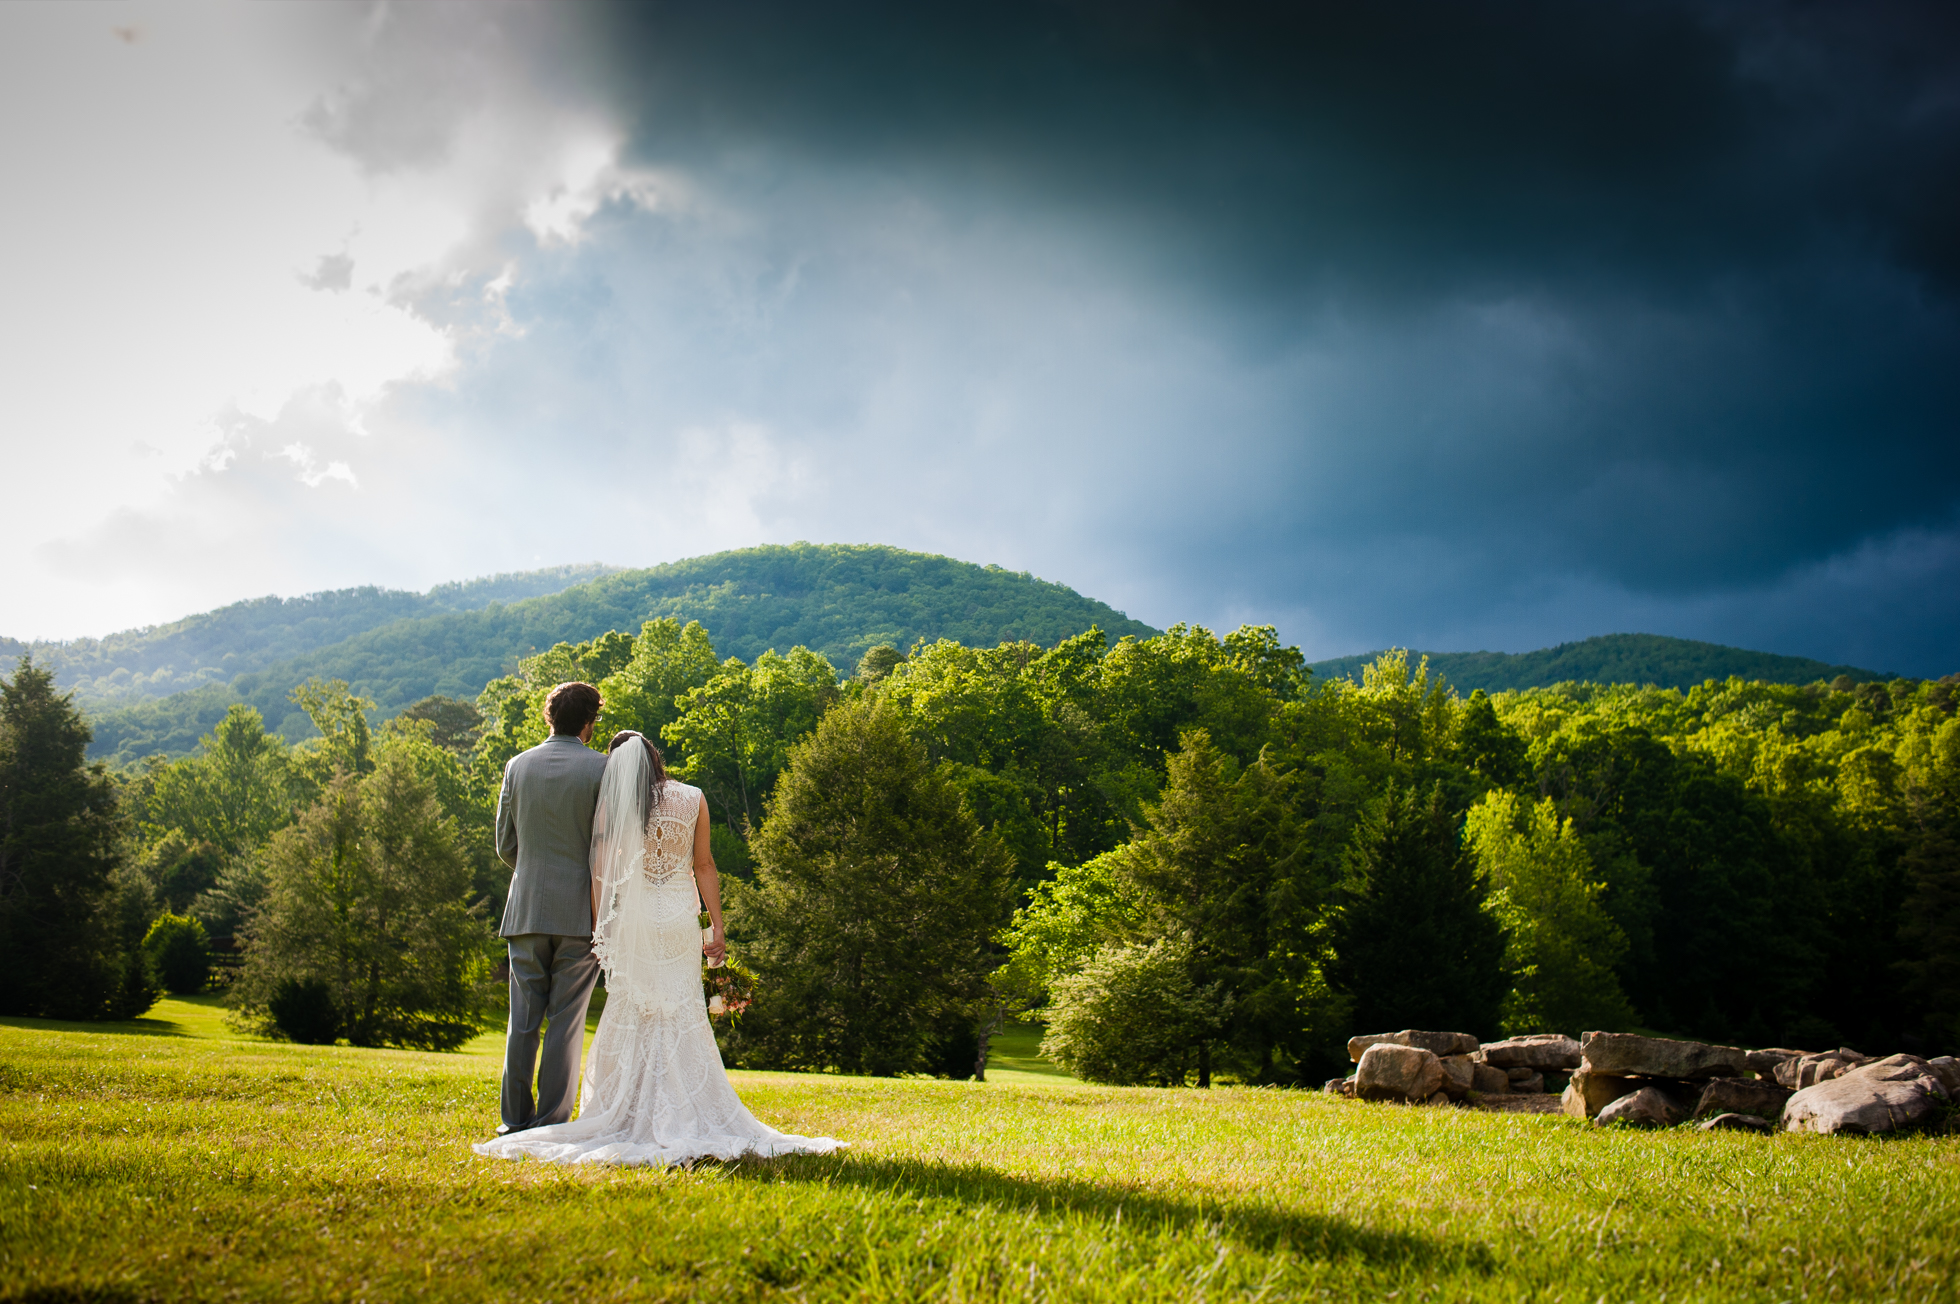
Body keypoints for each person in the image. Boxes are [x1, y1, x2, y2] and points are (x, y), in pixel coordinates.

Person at [473, 729, 842, 1166]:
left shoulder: (618, 804)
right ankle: (689, 1108)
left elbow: (600, 869)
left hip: (636, 917)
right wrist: (717, 927)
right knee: (682, 1008)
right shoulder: (694, 797)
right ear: (656, 758)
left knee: (635, 1008)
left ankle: (628, 1109)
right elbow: (704, 865)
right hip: (679, 916)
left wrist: (598, 924)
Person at [491, 680, 609, 1135]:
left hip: (525, 910)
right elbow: (608, 846)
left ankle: (513, 1121)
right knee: (565, 1022)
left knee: (522, 1021)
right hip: (582, 913)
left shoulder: (517, 766)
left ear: (549, 717)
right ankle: (551, 1121)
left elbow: (506, 843)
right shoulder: (602, 769)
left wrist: (535, 873)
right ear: (589, 722)